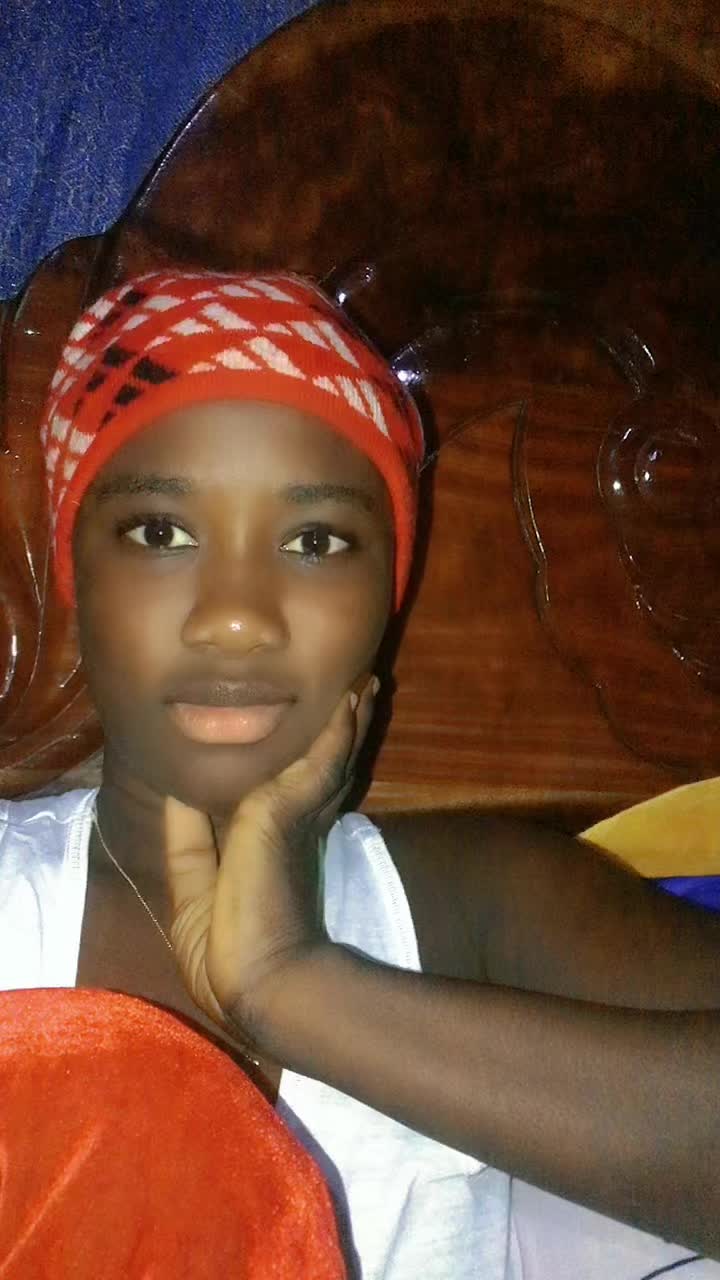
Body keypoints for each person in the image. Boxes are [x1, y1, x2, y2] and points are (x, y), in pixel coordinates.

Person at [1, 268, 718, 1279]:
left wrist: (299, 988)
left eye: (314, 540)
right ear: (77, 573)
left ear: (390, 593)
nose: (237, 617)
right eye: (161, 532)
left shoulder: (476, 902)